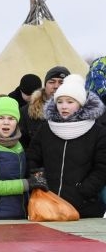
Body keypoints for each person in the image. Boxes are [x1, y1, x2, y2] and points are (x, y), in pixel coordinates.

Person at [27, 74, 106, 218]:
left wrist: (84, 190)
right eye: (60, 101)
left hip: (85, 209)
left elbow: (102, 167)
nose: (64, 106)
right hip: (49, 206)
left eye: (70, 102)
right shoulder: (45, 129)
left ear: (81, 104)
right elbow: (33, 158)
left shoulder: (98, 132)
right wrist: (40, 183)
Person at [21, 66, 70, 145]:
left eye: (61, 82)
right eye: (52, 82)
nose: (56, 86)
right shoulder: (26, 112)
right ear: (45, 85)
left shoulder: (79, 113)